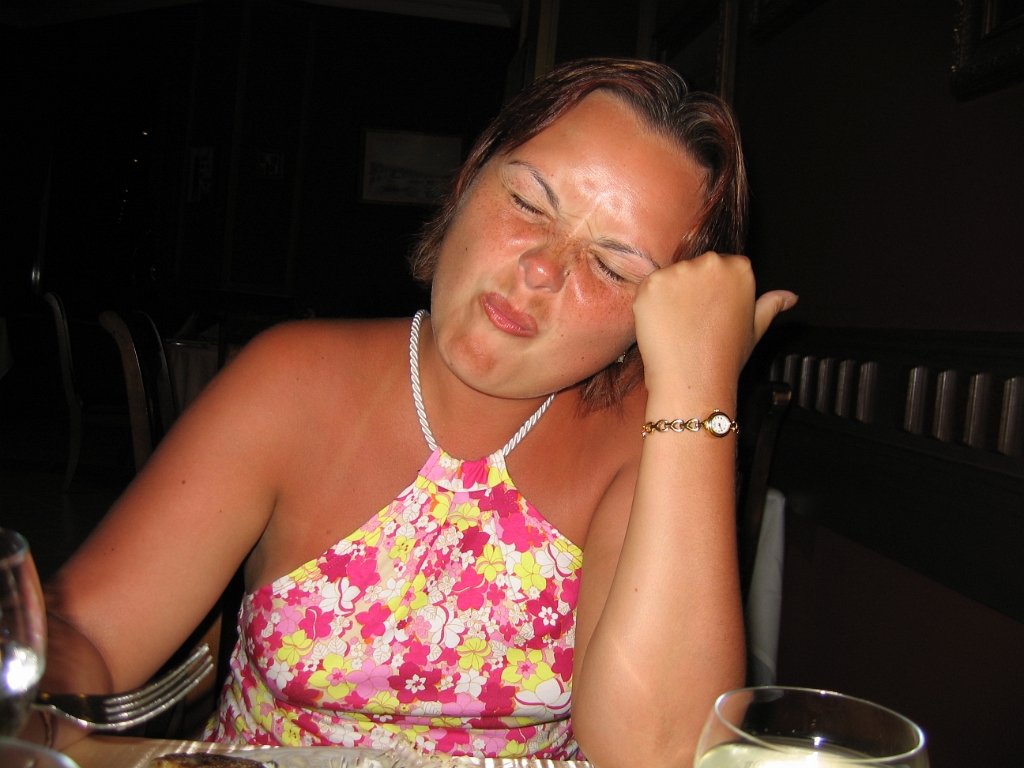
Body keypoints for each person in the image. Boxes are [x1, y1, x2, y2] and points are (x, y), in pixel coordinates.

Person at [34, 58, 796, 767]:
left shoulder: (653, 443)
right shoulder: (291, 380)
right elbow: (86, 635)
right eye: (527, 202)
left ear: (652, 322)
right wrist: (30, 697)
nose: (540, 268)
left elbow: (661, 756)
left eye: (611, 265)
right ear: (468, 181)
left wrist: (698, 394)